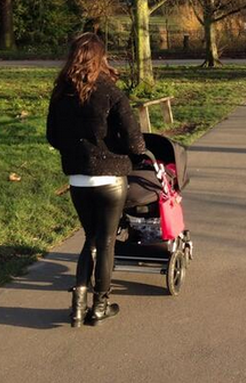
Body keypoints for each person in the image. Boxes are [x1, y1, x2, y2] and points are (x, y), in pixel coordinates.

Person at [47, 32, 147, 327]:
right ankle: (99, 306)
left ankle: (77, 307)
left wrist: (78, 149)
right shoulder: (111, 92)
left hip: (78, 180)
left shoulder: (60, 94)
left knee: (89, 239)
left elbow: (52, 136)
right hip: (110, 180)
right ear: (100, 58)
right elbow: (135, 142)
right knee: (105, 242)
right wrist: (134, 153)